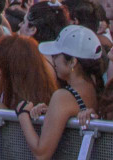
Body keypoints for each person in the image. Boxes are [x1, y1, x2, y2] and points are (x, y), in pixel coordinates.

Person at [15, 25, 105, 160]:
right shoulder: (93, 86)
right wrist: (50, 111)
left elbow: (41, 154)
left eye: (56, 55)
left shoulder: (63, 97)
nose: (53, 59)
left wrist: (23, 114)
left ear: (72, 62)